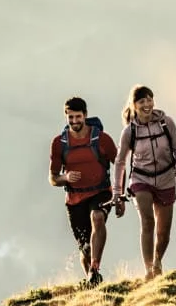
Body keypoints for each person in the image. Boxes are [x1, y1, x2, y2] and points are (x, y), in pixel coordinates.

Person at [111, 85, 176, 280]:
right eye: (141, 101)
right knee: (148, 222)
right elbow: (120, 162)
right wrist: (117, 192)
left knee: (164, 232)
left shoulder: (166, 123)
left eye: (149, 100)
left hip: (166, 177)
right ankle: (149, 269)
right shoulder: (129, 132)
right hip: (140, 179)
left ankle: (158, 260)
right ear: (134, 105)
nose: (147, 104)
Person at [49, 96, 123, 287]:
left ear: (85, 115)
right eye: (71, 118)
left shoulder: (102, 139)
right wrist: (65, 178)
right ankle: (92, 282)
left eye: (78, 117)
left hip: (101, 191)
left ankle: (94, 268)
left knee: (97, 217)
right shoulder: (59, 143)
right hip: (75, 199)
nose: (74, 122)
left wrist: (119, 195)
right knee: (84, 248)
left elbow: (119, 165)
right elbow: (53, 178)